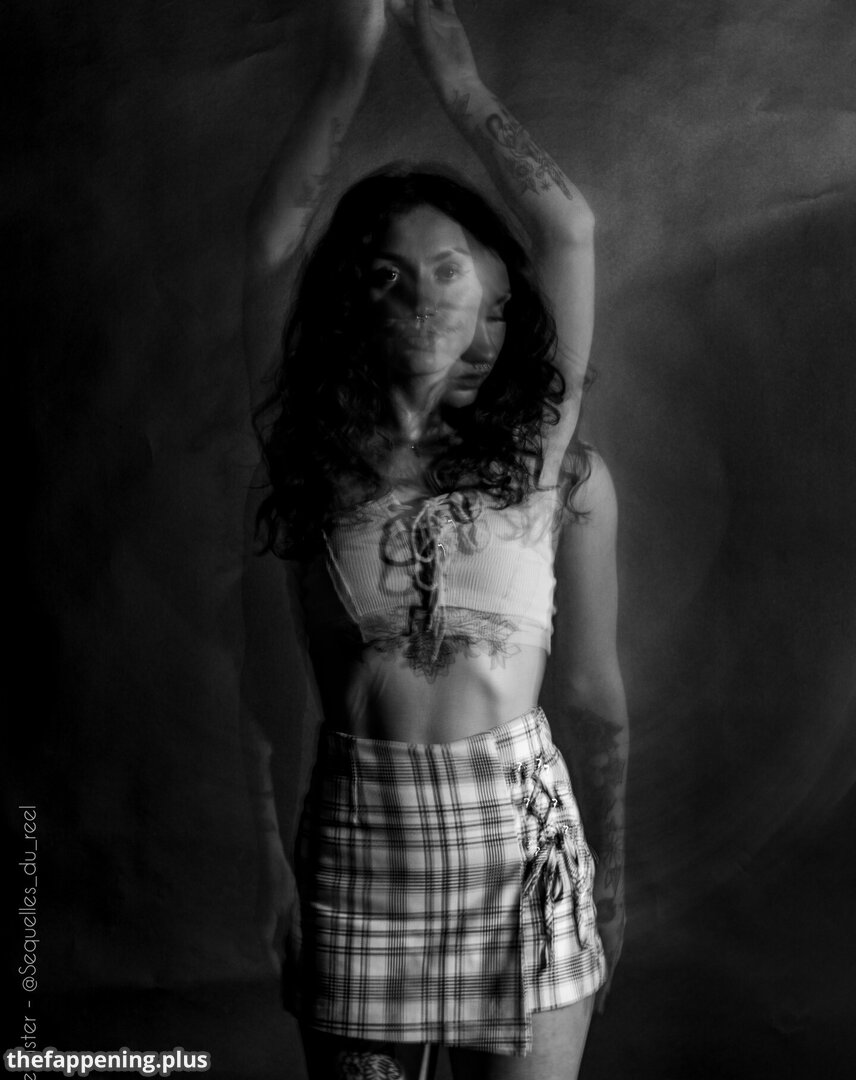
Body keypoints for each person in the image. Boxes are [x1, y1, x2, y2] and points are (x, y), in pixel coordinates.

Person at [241, 1, 628, 1077]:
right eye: (386, 272)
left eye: (448, 266)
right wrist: (345, 67)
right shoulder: (314, 461)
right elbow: (271, 245)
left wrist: (454, 79)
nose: (420, 292)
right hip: (360, 842)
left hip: (520, 848)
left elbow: (571, 231)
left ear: (488, 288)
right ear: (350, 304)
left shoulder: (535, 456)